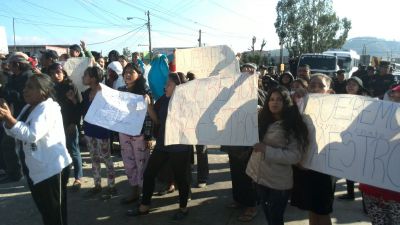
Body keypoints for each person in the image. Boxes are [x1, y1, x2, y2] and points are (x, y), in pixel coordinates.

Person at [0, 74, 72, 225]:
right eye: (25, 86)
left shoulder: (48, 108)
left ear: (43, 91)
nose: (24, 90)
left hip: (51, 169)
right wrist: (8, 119)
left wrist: (10, 119)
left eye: (30, 87)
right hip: (35, 168)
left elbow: (32, 134)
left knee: (55, 213)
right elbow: (16, 131)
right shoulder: (28, 107)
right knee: (45, 210)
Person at [127, 72, 192, 221]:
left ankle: (183, 208)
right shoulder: (163, 99)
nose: (165, 87)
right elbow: (157, 120)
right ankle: (144, 206)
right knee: (149, 174)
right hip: (163, 144)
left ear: (179, 87)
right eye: (165, 84)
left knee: (181, 178)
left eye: (168, 84)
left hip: (179, 147)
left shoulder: (187, 102)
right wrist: (148, 106)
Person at [246, 86, 309, 225]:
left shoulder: (292, 125)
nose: (274, 103)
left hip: (278, 183)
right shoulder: (261, 118)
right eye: (271, 99)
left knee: (275, 218)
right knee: (268, 215)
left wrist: (266, 149)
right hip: (258, 176)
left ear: (286, 102)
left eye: (279, 99)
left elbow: (294, 156)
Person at [291, 73, 335, 225]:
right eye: (312, 85)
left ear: (329, 91)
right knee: (311, 207)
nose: (316, 88)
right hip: (304, 165)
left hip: (324, 167)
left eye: (321, 86)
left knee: (322, 210)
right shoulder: (300, 105)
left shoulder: (337, 110)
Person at [118, 63, 157, 204]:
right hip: (124, 133)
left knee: (142, 164)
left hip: (140, 135)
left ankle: (143, 195)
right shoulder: (120, 91)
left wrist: (148, 136)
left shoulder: (145, 92)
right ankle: (133, 191)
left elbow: (149, 117)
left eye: (131, 72)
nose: (127, 75)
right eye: (125, 72)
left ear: (139, 74)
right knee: (129, 164)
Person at [81, 66, 116, 197]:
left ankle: (112, 186)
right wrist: (73, 100)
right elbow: (82, 111)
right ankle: (97, 185)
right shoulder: (85, 93)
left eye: (85, 75)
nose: (83, 77)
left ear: (94, 78)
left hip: (102, 131)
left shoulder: (106, 93)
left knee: (106, 159)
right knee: (94, 158)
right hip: (89, 131)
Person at [48, 63, 83, 191]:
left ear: (64, 72)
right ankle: (64, 176)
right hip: (55, 125)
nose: (55, 75)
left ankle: (78, 178)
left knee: (74, 150)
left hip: (70, 124)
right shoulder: (50, 88)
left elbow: (79, 106)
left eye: (58, 72)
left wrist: (74, 123)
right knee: (60, 151)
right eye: (52, 73)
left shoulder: (70, 86)